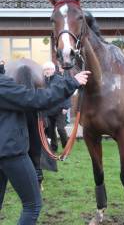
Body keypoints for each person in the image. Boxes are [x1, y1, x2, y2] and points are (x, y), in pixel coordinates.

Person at [0, 61, 90, 225]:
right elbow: (35, 99)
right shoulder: (2, 84)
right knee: (32, 205)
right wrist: (72, 83)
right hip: (10, 151)